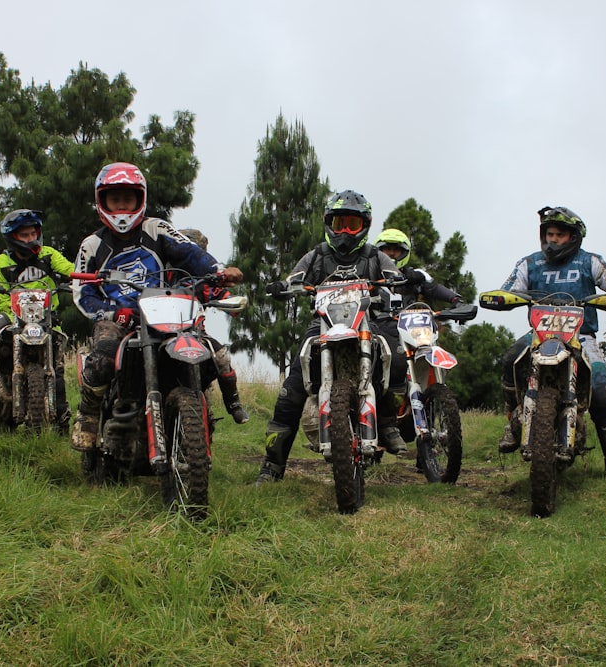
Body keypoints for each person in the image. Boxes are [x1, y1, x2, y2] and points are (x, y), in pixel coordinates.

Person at [70, 162, 243, 452]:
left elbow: (191, 254)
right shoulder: (92, 244)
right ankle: (87, 414)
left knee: (208, 352)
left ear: (141, 198)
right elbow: (82, 292)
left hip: (162, 313)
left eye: (128, 198)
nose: (123, 205)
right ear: (103, 201)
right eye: (115, 198)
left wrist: (220, 271)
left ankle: (198, 410)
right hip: (117, 319)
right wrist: (112, 312)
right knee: (102, 359)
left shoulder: (157, 229)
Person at [255, 189, 406, 484]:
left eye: (352, 224)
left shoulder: (375, 256)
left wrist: (401, 280)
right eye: (340, 224)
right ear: (328, 224)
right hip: (321, 327)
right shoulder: (316, 256)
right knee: (291, 391)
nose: (346, 232)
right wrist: (282, 286)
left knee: (393, 362)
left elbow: (394, 278)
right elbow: (294, 279)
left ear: (365, 225)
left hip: (365, 325)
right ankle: (272, 465)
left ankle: (388, 425)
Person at [495, 206, 606, 478]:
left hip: (581, 336)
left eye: (560, 234)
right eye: (549, 234)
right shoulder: (530, 263)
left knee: (601, 390)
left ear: (573, 236)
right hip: (540, 334)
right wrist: (501, 298)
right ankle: (514, 420)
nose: (553, 239)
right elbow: (509, 289)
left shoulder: (589, 262)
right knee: (509, 360)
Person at [0, 209, 75, 430]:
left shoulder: (48, 254)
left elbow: (70, 270)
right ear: (12, 237)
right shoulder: (1, 263)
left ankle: (62, 415)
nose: (30, 239)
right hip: (14, 317)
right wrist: (11, 312)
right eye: (24, 235)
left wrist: (81, 277)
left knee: (56, 367)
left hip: (47, 318)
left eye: (33, 233)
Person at [176, 227, 248, 424]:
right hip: (162, 333)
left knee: (222, 357)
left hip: (196, 335)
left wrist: (232, 303)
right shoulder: (160, 276)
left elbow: (222, 296)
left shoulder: (202, 282)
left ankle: (234, 403)